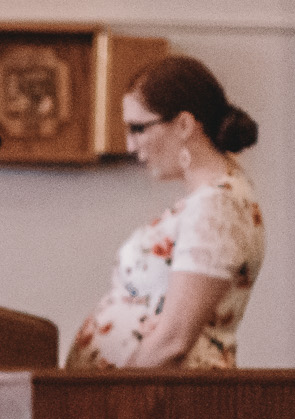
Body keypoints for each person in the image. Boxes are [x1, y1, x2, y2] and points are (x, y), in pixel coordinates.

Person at [66, 55, 265, 369]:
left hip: (162, 402)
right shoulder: (210, 199)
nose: (131, 146)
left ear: (184, 124)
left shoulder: (217, 204)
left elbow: (175, 339)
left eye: (138, 128)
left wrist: (111, 399)